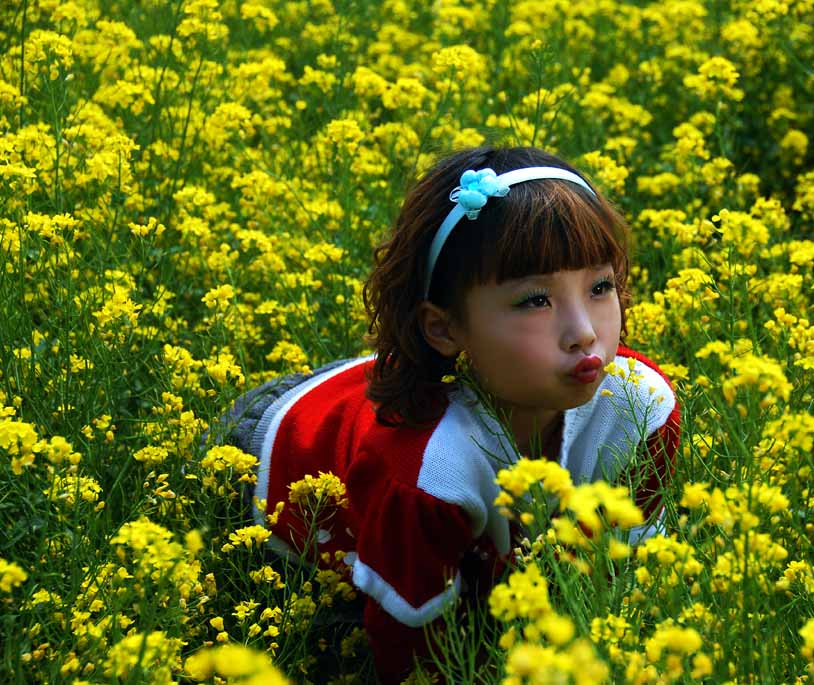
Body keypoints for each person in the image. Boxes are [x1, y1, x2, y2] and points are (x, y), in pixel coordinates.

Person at [221, 146, 680, 683]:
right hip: (271, 450)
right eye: (536, 301)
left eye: (600, 287)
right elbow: (409, 654)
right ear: (443, 328)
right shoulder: (423, 472)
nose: (585, 331)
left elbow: (626, 588)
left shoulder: (639, 408)